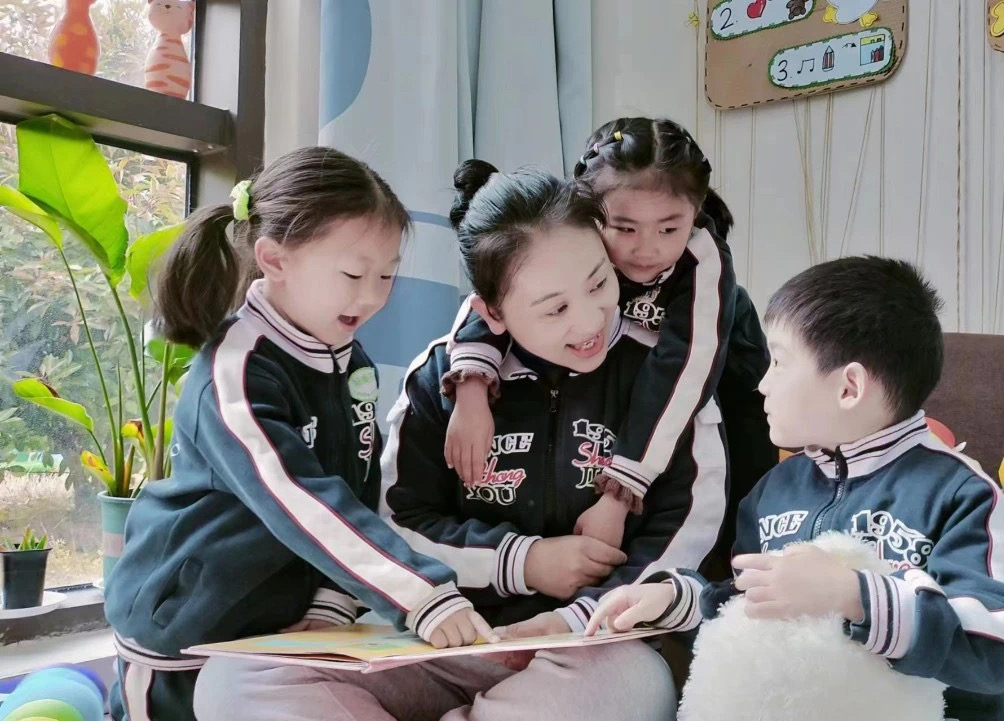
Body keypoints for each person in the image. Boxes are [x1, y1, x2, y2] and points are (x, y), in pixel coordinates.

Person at [195, 161, 727, 721]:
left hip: (583, 646)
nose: (590, 319)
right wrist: (521, 562)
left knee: (632, 682)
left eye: (599, 282)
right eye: (555, 308)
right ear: (491, 312)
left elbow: (684, 533)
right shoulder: (438, 379)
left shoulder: (665, 383)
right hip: (444, 639)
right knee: (234, 680)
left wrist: (577, 617)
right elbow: (396, 519)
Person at [104, 147, 490, 721]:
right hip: (187, 630)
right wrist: (420, 592)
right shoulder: (235, 372)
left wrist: (332, 605)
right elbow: (299, 496)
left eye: (387, 275)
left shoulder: (347, 361)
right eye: (354, 274)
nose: (372, 295)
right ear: (274, 260)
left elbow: (357, 488)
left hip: (272, 634)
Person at [588, 257, 1004, 721]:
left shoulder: (961, 495)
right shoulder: (775, 491)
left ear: (849, 388)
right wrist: (676, 601)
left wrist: (852, 594)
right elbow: (750, 612)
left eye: (778, 362)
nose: (762, 384)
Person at [443, 119, 773, 567]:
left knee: (736, 512)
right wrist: (471, 387)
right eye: (625, 229)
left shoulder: (703, 264)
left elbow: (682, 373)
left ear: (695, 215)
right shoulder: (573, 228)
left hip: (721, 384)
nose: (646, 250)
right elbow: (497, 295)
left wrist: (621, 489)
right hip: (641, 377)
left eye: (669, 229)